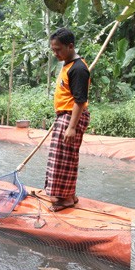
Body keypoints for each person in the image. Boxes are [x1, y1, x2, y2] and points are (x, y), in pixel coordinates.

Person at [44, 28, 90, 211]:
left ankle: (65, 200)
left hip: (72, 117)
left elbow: (80, 101)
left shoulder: (78, 69)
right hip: (65, 116)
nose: (56, 53)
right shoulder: (68, 64)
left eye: (58, 49)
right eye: (53, 50)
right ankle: (69, 194)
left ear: (70, 46)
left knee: (63, 159)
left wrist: (71, 127)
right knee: (64, 159)